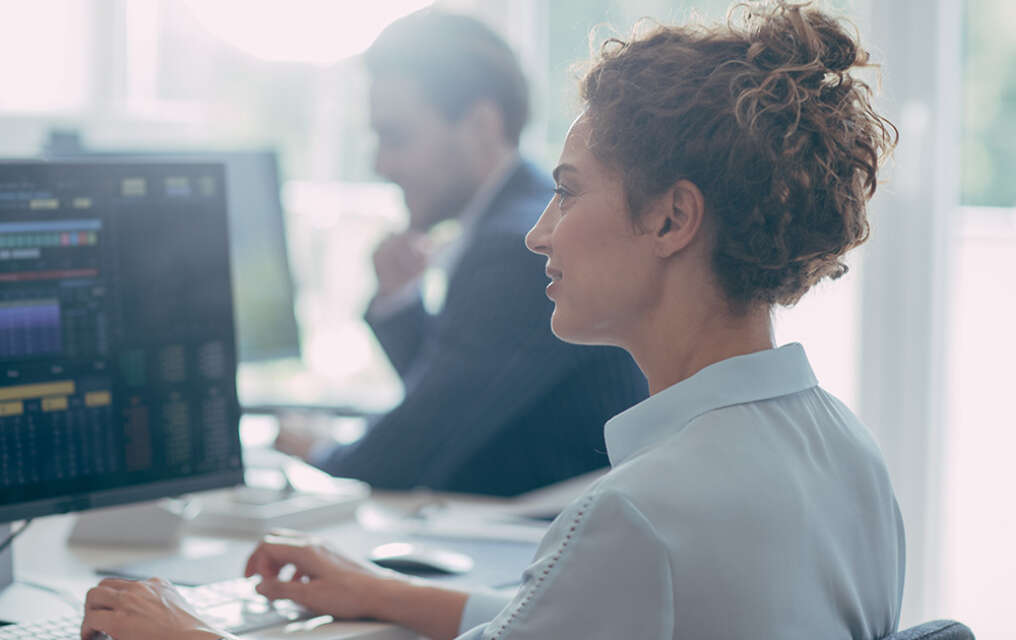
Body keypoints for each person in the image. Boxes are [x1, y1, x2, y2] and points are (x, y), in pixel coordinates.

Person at [79, 2, 904, 638]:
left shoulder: (639, 515)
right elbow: (569, 614)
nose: (540, 230)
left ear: (670, 221)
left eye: (569, 190)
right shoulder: (849, 455)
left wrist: (187, 631)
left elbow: (602, 583)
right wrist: (375, 589)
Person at [275, 9, 648, 497]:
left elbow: (411, 452)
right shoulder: (521, 211)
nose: (380, 163)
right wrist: (401, 303)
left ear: (480, 124)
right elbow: (459, 403)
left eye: (396, 136)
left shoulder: (514, 248)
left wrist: (314, 453)